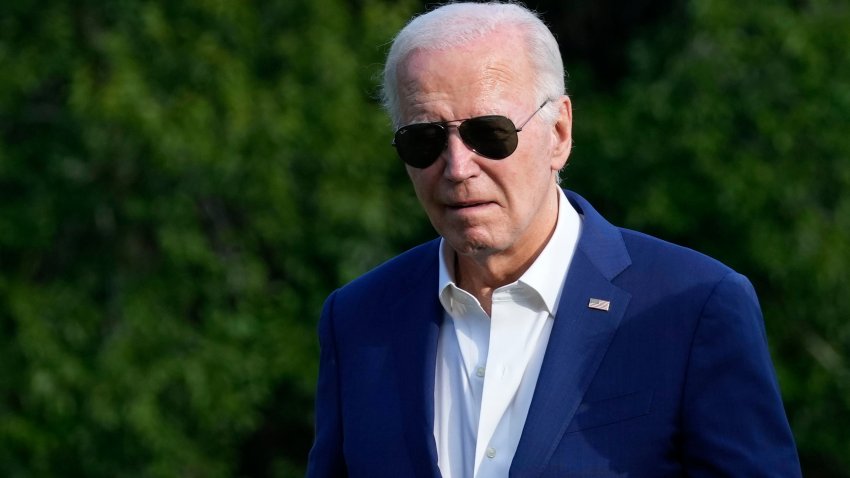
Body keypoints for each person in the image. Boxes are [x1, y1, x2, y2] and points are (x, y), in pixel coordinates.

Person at [307, 2, 802, 477]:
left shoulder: (693, 308)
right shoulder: (358, 320)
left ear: (559, 132)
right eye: (425, 140)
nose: (457, 168)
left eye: (490, 133)